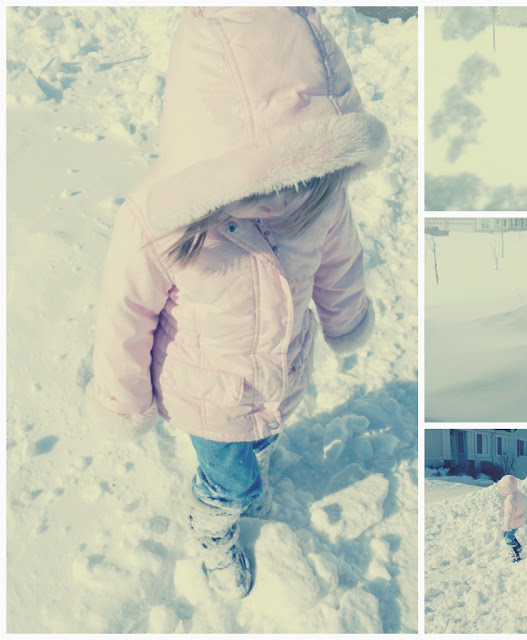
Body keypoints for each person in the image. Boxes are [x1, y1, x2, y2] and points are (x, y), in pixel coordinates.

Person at [87, 7, 387, 600]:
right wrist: (124, 401)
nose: (287, 198)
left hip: (281, 371)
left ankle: (252, 462)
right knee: (233, 481)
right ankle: (214, 524)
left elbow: (340, 260)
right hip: (209, 396)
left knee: (266, 438)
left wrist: (346, 319)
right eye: (270, 180)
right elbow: (124, 313)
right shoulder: (164, 218)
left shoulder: (320, 194)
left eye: (302, 171)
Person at [497, 474, 526, 562]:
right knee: (507, 535)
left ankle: (515, 555)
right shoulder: (518, 494)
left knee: (508, 538)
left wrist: (507, 525)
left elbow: (509, 514)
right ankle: (518, 547)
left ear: (506, 488)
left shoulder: (510, 499)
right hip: (518, 519)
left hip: (512, 522)